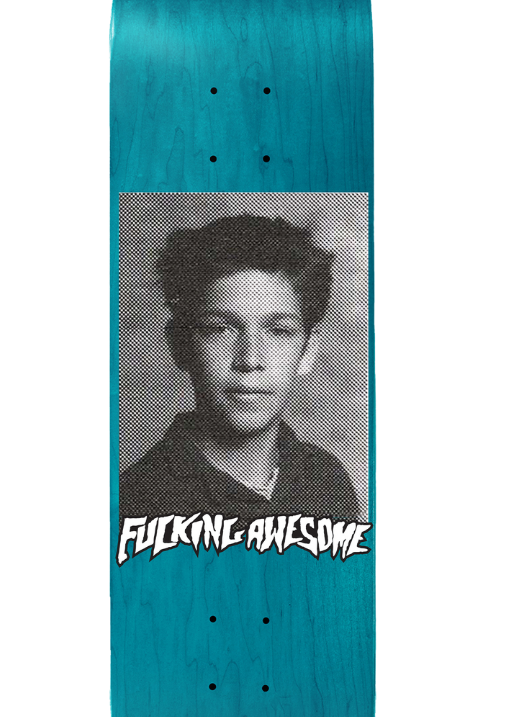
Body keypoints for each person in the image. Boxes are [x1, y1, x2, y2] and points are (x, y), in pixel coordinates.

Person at [119, 213, 359, 520]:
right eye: (219, 329)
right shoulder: (137, 502)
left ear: (308, 350)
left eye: (279, 331)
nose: (250, 360)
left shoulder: (326, 482)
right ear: (180, 345)